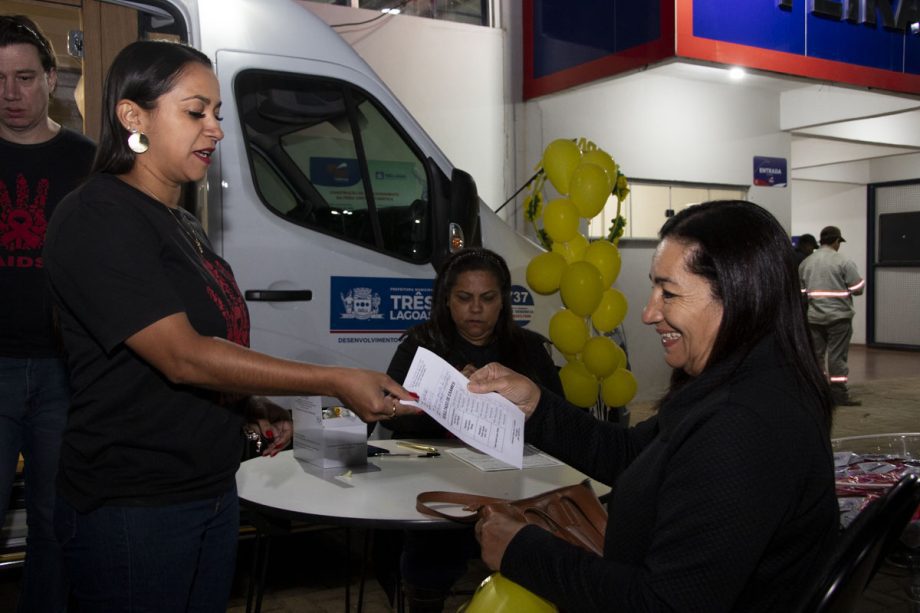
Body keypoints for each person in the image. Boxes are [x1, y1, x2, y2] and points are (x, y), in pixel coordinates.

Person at [42, 40, 415, 612]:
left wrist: (251, 405)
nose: (215, 129)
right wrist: (333, 379)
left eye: (217, 113)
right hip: (135, 506)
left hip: (208, 492)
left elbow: (207, 352)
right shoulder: (98, 215)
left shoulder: (182, 222)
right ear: (133, 116)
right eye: (196, 112)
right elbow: (183, 356)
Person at [468, 200, 839, 611]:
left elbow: (664, 604)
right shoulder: (741, 384)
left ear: (737, 296)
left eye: (669, 293)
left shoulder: (742, 425)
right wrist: (534, 404)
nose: (649, 312)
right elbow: (632, 455)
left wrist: (522, 550)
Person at [377, 247, 563, 612]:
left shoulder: (528, 348)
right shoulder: (421, 345)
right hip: (436, 480)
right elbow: (388, 412)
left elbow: (560, 416)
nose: (475, 309)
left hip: (513, 480)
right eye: (464, 298)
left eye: (487, 298)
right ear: (446, 300)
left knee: (538, 549)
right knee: (428, 557)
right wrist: (443, 398)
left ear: (503, 303)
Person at [0, 15, 96, 612]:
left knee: (56, 522)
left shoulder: (86, 162)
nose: (10, 94)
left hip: (66, 372)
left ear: (52, 78)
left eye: (25, 77)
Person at [800, 225, 865, 407]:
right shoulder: (843, 261)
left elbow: (802, 292)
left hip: (814, 317)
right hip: (839, 317)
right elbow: (858, 289)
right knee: (837, 356)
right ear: (836, 241)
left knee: (816, 355)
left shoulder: (807, 263)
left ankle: (819, 392)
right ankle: (838, 394)